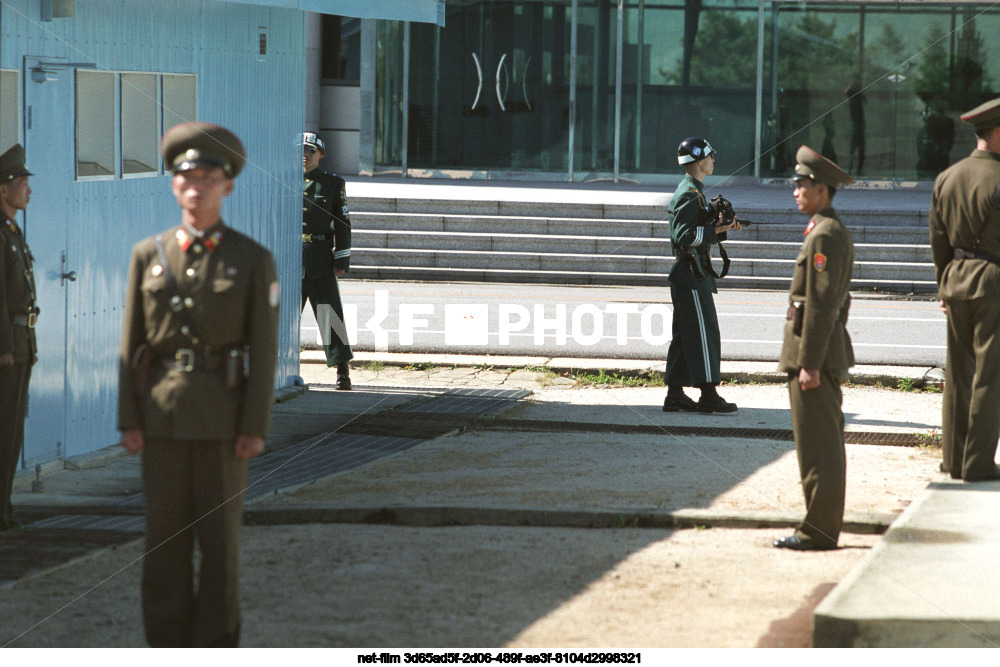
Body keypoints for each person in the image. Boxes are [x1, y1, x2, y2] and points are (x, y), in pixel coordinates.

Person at [118, 122, 279, 646]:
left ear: (228, 185)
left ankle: (214, 646)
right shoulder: (149, 254)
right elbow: (131, 346)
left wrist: (254, 426)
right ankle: (165, 645)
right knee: (163, 544)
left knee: (219, 546)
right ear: (173, 185)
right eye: (187, 176)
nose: (197, 185)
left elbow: (263, 349)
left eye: (209, 176)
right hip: (161, 419)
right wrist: (129, 419)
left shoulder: (251, 259)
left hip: (223, 421)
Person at [774, 145, 855, 551]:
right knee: (818, 443)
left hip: (815, 358)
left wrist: (809, 363)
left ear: (821, 189)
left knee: (819, 446)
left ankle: (818, 531)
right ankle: (819, 525)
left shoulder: (825, 233)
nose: (795, 191)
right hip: (818, 353)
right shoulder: (825, 228)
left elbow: (823, 305)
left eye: (802, 184)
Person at [929, 96, 1000, 483]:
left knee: (957, 375)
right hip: (993, 283)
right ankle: (977, 465)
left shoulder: (948, 176)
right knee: (991, 377)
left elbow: (937, 238)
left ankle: (953, 460)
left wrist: (944, 283)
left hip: (956, 280)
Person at [663, 137, 741, 413]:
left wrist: (719, 226)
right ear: (698, 161)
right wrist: (717, 231)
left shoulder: (693, 190)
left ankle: (675, 395)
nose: (713, 160)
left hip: (692, 272)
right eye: (710, 156)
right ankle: (708, 394)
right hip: (691, 274)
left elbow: (695, 231)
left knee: (686, 336)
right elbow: (682, 236)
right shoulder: (687, 193)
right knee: (705, 333)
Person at [0, 144, 38, 532]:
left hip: (21, 343)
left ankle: (4, 507)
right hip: (8, 347)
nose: (28, 190)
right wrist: (5, 348)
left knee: (12, 431)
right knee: (3, 429)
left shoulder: (12, 231)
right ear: (2, 189)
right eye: (22, 182)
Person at [301, 131, 353, 390]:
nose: (305, 154)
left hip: (320, 255)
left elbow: (343, 222)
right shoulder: (285, 179)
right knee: (281, 319)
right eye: (301, 149)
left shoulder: (332, 183)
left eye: (311, 150)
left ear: (320, 154)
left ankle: (342, 371)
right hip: (291, 258)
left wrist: (342, 258)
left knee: (329, 315)